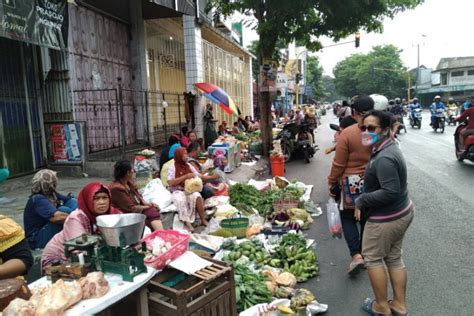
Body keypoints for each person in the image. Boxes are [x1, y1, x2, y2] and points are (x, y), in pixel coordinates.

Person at [354, 110, 414, 316]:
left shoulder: (385, 157)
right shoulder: (386, 146)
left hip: (386, 218)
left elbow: (390, 191)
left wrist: (361, 200)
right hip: (401, 211)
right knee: (394, 258)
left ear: (386, 130)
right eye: (363, 128)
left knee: (372, 258)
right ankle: (398, 305)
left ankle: (381, 306)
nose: (365, 132)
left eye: (371, 128)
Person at [327, 95, 375, 275]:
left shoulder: (348, 133)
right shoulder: (376, 131)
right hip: (371, 180)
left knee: (347, 217)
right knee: (365, 218)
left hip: (350, 182)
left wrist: (331, 182)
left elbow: (338, 164)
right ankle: (365, 253)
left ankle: (356, 255)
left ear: (354, 113)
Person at [41, 182, 121, 271]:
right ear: (88, 200)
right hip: (59, 259)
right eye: (96, 198)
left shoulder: (112, 213)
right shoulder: (76, 219)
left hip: (94, 256)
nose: (102, 202)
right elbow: (79, 250)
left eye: (105, 198)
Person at [24, 169, 78, 249]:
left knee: (73, 201)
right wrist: (78, 219)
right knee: (63, 210)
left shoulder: (52, 194)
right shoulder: (38, 199)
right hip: (36, 240)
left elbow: (69, 200)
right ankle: (77, 229)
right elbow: (56, 218)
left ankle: (76, 228)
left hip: (45, 229)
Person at [110, 160, 163, 231]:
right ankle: (162, 233)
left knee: (153, 210)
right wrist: (149, 207)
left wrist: (148, 204)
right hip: (126, 214)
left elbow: (138, 197)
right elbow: (130, 208)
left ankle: (159, 232)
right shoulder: (116, 188)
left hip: (136, 209)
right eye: (132, 170)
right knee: (151, 212)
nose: (133, 171)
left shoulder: (128, 183)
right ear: (128, 172)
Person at [167, 147, 207, 232]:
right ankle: (188, 224)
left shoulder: (188, 165)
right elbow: (170, 182)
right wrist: (185, 177)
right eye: (184, 154)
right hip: (177, 190)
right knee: (180, 200)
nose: (187, 156)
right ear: (179, 156)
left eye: (186, 153)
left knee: (197, 196)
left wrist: (208, 176)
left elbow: (197, 175)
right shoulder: (172, 167)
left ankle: (203, 220)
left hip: (188, 190)